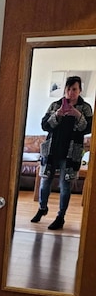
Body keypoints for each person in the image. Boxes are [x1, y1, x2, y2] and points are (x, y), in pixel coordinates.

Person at [31, 75, 93, 230]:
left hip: (71, 153)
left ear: (80, 90)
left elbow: (88, 129)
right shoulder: (55, 105)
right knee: (45, 181)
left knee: (65, 185)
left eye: (74, 89)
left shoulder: (85, 108)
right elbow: (45, 126)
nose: (71, 93)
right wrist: (57, 114)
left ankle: (61, 217)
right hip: (52, 150)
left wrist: (77, 115)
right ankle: (42, 208)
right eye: (68, 89)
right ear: (65, 89)